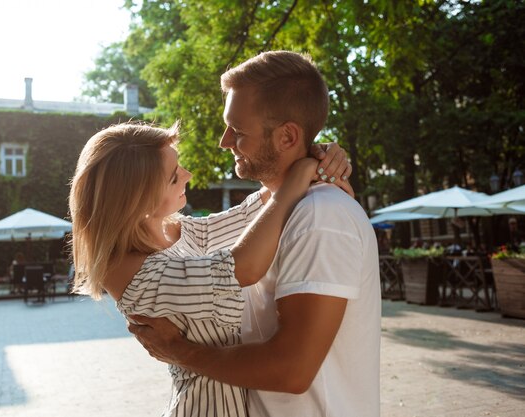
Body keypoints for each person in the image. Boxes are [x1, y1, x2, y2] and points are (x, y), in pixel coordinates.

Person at [128, 50, 381, 417]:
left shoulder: (320, 217)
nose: (224, 141)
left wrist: (182, 353)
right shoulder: (275, 212)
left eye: (239, 130)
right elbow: (191, 235)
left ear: (287, 136)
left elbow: (291, 370)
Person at [68, 121, 351, 417]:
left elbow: (248, 214)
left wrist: (320, 157)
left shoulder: (178, 232)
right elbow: (243, 268)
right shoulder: (129, 272)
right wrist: (301, 174)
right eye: (174, 177)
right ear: (140, 198)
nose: (188, 175)